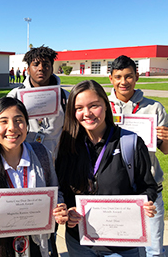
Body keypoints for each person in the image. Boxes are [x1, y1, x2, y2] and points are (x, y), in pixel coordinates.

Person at [55, 80, 158, 257]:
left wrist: (145, 202)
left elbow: (148, 186)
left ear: (106, 105)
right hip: (80, 243)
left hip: (122, 245)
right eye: (79, 108)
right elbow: (62, 188)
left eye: (94, 106)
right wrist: (68, 209)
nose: (87, 113)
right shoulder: (68, 146)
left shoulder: (130, 142)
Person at [0, 96, 68, 257]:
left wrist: (59, 207)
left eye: (19, 120)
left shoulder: (42, 156)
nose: (12, 128)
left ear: (27, 125)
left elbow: (56, 193)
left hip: (37, 247)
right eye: (3, 121)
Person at [108, 55, 168, 257]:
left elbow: (166, 150)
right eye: (118, 77)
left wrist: (165, 138)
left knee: (154, 249)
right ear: (111, 79)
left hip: (149, 188)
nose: (123, 82)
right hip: (116, 190)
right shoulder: (103, 107)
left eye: (129, 76)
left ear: (137, 77)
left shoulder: (154, 108)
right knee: (118, 249)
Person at [8, 45, 69, 159]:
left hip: (57, 159)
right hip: (24, 158)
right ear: (28, 69)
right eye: (36, 65)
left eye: (46, 65)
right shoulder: (15, 96)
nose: (41, 68)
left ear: (52, 69)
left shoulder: (65, 96)